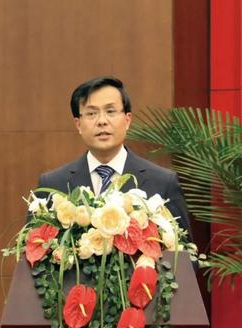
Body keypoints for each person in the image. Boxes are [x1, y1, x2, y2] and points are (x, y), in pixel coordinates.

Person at [37, 76, 192, 239]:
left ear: (127, 120)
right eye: (91, 113)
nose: (102, 121)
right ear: (78, 124)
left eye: (110, 111)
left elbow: (183, 249)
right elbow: (34, 247)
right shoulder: (53, 184)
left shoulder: (163, 182)